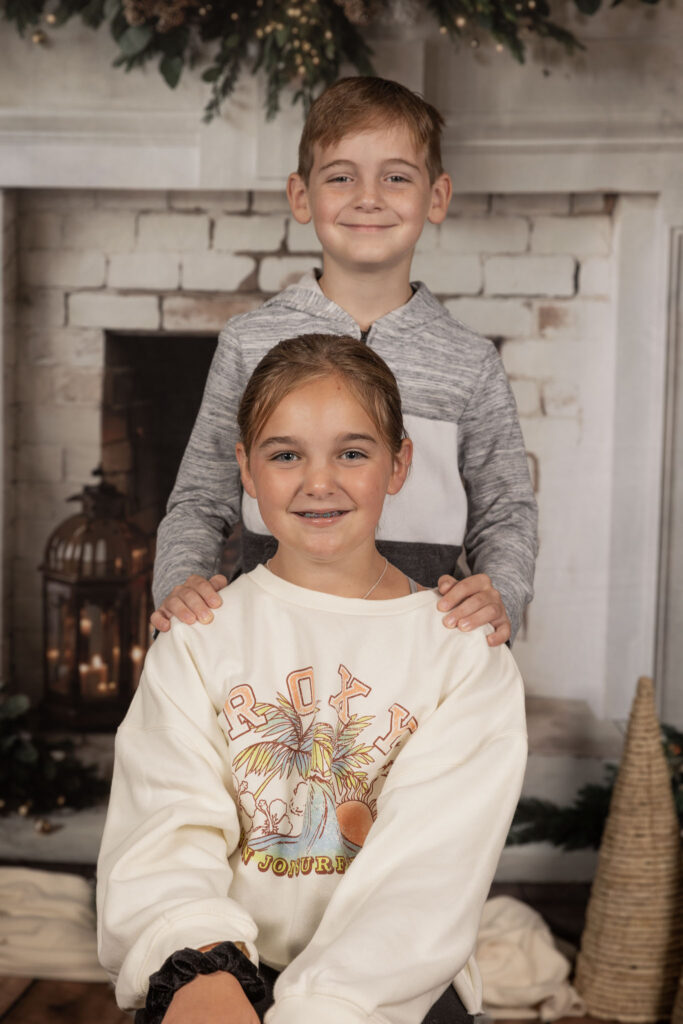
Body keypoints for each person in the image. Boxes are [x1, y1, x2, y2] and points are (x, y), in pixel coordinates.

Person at [97, 334, 528, 1024]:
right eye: (285, 454)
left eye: (351, 453)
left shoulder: (462, 656)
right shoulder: (198, 638)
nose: (317, 481)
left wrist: (321, 1007)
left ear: (398, 465)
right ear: (245, 468)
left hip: (391, 983)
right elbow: (163, 831)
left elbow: (425, 879)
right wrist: (200, 963)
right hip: (222, 962)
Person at [150, 76, 537, 649]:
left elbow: (504, 512)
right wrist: (179, 583)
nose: (369, 197)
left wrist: (501, 592)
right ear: (302, 196)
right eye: (341, 177)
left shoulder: (470, 362)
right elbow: (200, 499)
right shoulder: (247, 342)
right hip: (272, 639)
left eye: (397, 177)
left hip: (419, 644)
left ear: (436, 197)